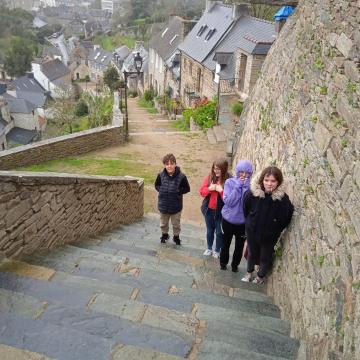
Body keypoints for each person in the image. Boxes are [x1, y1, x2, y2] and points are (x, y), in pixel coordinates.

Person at [242, 166, 294, 284]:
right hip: (252, 232)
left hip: (269, 237)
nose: (269, 184)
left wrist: (274, 230)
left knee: (265, 258)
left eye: (273, 181)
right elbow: (245, 209)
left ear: (278, 182)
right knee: (251, 253)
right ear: (262, 180)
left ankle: (260, 276)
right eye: (266, 180)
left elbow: (286, 218)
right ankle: (249, 272)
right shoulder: (252, 194)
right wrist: (250, 223)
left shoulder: (283, 200)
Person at [219, 160, 253, 272]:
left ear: (250, 174)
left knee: (239, 247)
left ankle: (235, 266)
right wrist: (238, 187)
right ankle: (223, 263)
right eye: (241, 172)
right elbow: (229, 202)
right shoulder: (229, 182)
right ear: (237, 172)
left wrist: (246, 189)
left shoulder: (251, 187)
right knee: (226, 243)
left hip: (242, 223)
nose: (243, 175)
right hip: (228, 220)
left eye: (247, 173)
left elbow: (248, 206)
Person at [155, 153, 190, 245]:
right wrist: (161, 189)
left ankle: (176, 237)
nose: (169, 166)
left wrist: (178, 191)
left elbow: (187, 188)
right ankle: (165, 235)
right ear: (164, 165)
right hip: (163, 205)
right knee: (163, 223)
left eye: (171, 163)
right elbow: (157, 185)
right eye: (167, 164)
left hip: (176, 206)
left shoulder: (182, 176)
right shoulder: (161, 175)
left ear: (175, 164)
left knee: (176, 224)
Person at [199, 158, 231, 258]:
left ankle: (217, 250)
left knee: (219, 232)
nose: (215, 171)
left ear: (224, 169)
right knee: (209, 230)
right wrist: (209, 189)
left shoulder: (229, 180)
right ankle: (209, 248)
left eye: (218, 169)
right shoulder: (209, 177)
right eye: (214, 168)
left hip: (222, 212)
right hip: (209, 210)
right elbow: (202, 192)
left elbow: (229, 199)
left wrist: (221, 191)